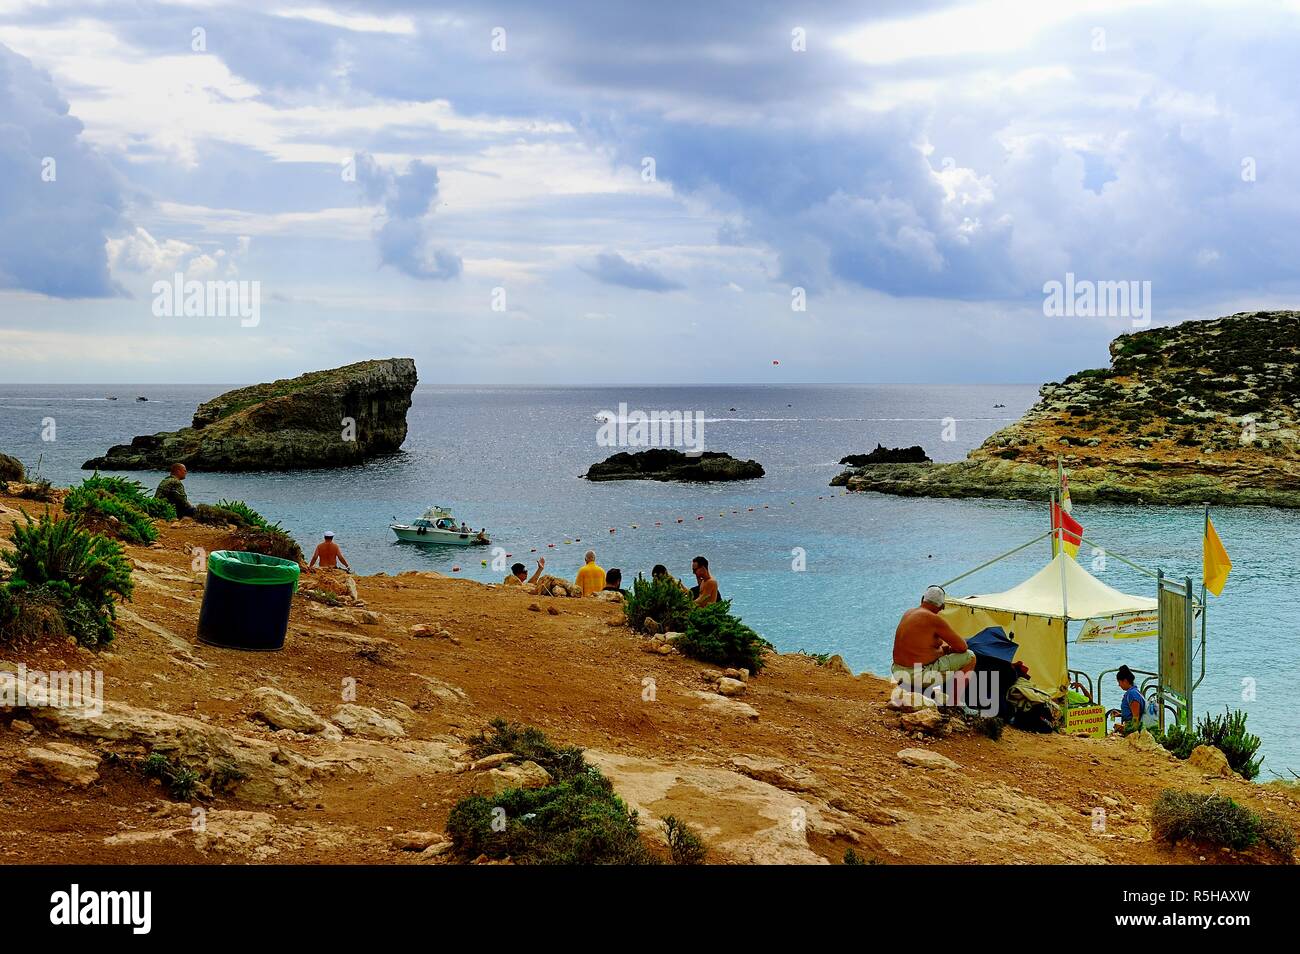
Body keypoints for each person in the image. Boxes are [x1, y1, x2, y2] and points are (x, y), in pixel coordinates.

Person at [891, 585, 976, 687]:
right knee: (970, 656)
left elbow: (919, 651)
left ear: (922, 599)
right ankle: (953, 700)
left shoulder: (908, 613)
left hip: (897, 671)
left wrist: (942, 651)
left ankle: (911, 688)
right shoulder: (934, 619)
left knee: (944, 650)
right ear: (942, 606)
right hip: (916, 675)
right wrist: (947, 650)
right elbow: (962, 647)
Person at [1108, 665, 1155, 732]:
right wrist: (1121, 714)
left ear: (1125, 681)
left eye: (1119, 682)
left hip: (1134, 730)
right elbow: (1135, 712)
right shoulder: (1134, 691)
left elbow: (1136, 718)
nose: (1119, 685)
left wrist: (1125, 729)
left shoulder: (1132, 694)